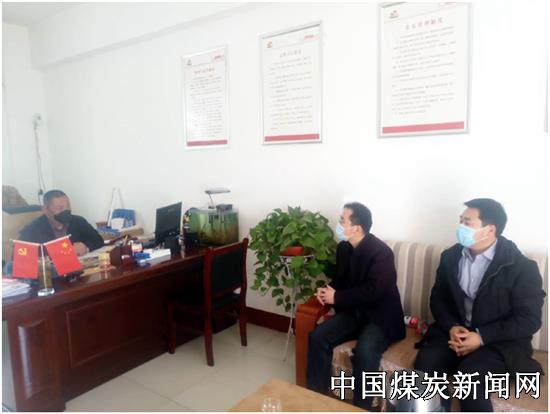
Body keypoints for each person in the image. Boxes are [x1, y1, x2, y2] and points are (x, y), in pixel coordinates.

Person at [414, 198, 545, 411]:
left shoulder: (521, 267)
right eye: (460, 221)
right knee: (426, 363)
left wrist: (481, 337)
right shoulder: (451, 257)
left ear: (490, 230)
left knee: (469, 378)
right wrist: (451, 326)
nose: (460, 227)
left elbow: (529, 320)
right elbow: (438, 298)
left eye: (467, 223)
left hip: (499, 342)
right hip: (456, 334)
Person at [307, 202, 405, 410]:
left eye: (342, 220)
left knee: (365, 352)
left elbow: (375, 291)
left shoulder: (381, 253)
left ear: (357, 228)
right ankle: (315, 399)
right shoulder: (344, 248)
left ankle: (361, 408)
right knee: (317, 337)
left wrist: (337, 297)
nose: (338, 224)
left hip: (380, 317)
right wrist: (328, 291)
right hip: (354, 312)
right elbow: (341, 280)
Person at [18, 189, 104, 256]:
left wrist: (85, 246)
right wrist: (60, 253)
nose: (66, 210)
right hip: (51, 271)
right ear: (45, 209)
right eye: (60, 208)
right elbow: (19, 255)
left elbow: (98, 239)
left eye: (68, 206)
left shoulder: (78, 221)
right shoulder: (32, 229)